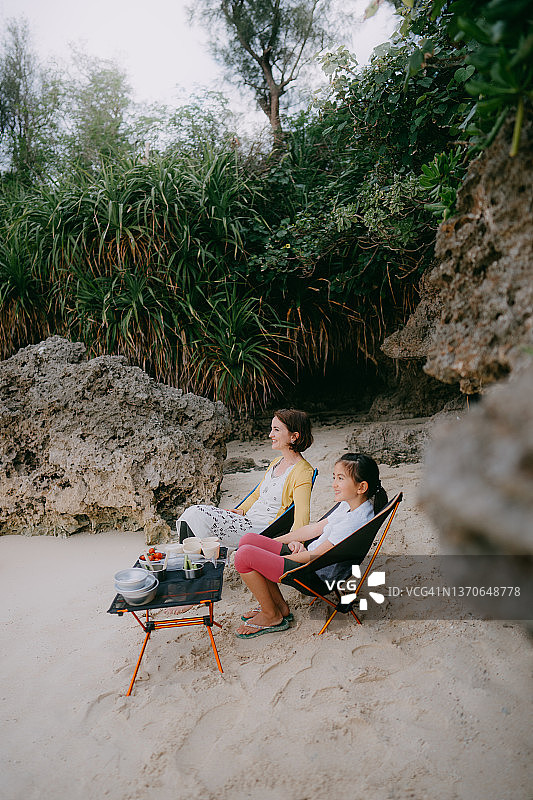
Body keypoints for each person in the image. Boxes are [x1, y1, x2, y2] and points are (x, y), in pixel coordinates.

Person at [234, 452, 388, 638]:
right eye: (334, 477)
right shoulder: (351, 505)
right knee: (248, 541)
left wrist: (275, 558)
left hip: (314, 571)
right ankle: (280, 607)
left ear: (361, 487)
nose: (334, 484)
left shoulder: (353, 521)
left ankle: (271, 615)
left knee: (243, 556)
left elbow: (318, 556)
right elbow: (313, 530)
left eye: (341, 478)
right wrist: (270, 545)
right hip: (310, 556)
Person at [174, 409, 314, 548]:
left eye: (276, 430)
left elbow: (302, 512)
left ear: (294, 436)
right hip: (246, 520)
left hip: (260, 529)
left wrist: (297, 542)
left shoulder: (303, 471)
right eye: (272, 429)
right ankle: (192, 560)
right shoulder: (277, 462)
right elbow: (257, 494)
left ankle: (194, 562)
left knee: (196, 514)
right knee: (192, 514)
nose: (271, 434)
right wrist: (241, 510)